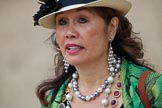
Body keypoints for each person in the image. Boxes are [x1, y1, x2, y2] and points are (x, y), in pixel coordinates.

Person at [33, 0, 162, 108]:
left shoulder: (151, 89)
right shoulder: (52, 99)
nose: (69, 32)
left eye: (82, 20)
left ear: (112, 28)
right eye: (62, 22)